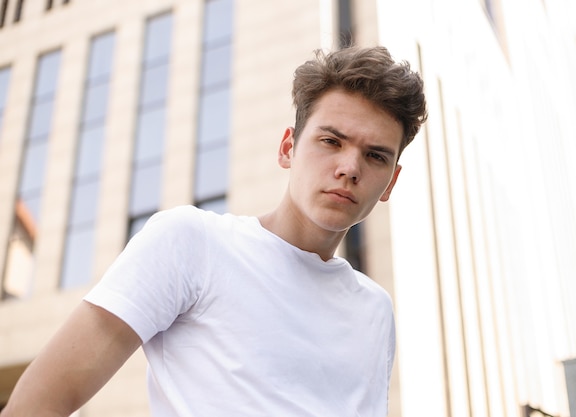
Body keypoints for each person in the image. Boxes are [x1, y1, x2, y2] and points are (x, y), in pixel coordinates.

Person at [1, 45, 427, 417]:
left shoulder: (375, 310)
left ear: (390, 181)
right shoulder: (192, 242)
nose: (349, 168)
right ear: (287, 149)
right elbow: (35, 405)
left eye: (374, 156)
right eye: (331, 141)